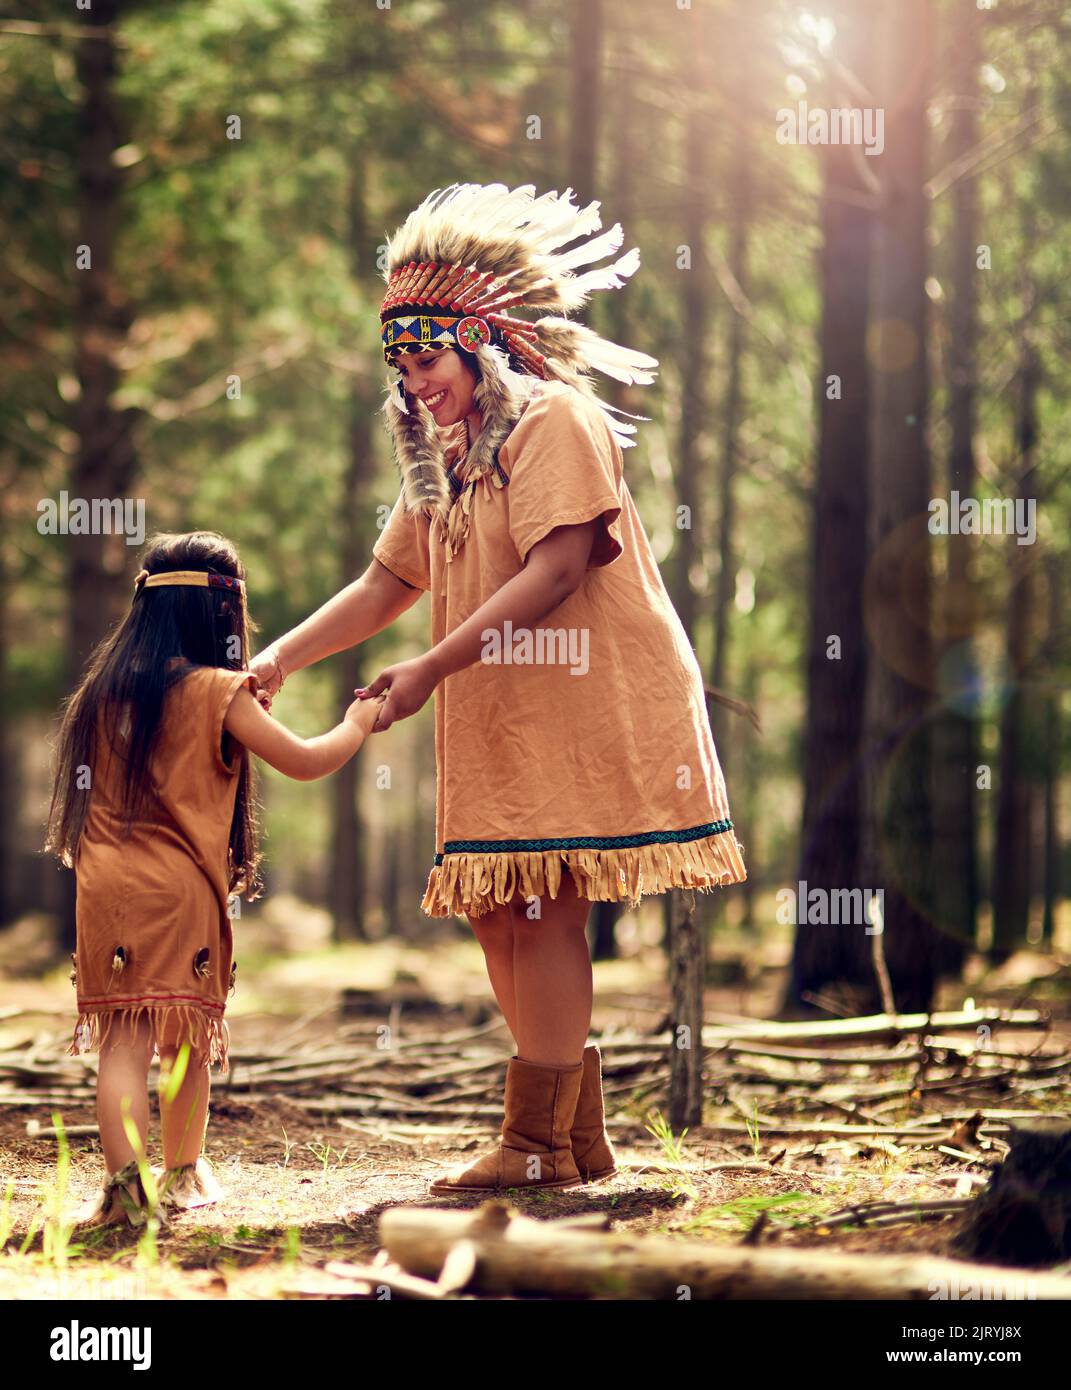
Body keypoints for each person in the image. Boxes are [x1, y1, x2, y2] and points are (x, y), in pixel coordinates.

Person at [251, 182, 747, 1195]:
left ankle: (531, 1143)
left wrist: (432, 666)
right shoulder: (442, 452)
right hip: (498, 707)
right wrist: (281, 659)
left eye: (424, 356)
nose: (412, 379)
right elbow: (390, 579)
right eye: (399, 361)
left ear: (480, 340)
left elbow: (560, 567)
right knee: (497, 910)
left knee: (543, 906)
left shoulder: (552, 421)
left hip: (581, 693)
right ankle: (572, 1137)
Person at [45, 531, 385, 1227]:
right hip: (178, 892)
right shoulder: (217, 691)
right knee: (186, 1039)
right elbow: (307, 759)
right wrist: (359, 722)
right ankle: (181, 1174)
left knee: (122, 1041)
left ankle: (122, 1192)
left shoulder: (100, 694)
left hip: (103, 888)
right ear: (221, 618)